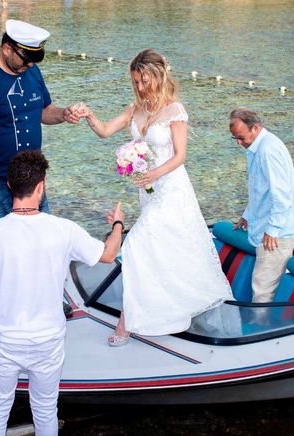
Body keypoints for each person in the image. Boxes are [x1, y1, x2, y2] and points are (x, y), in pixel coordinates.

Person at [0, 149, 125, 436]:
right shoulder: (64, 229)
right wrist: (117, 224)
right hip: (48, 339)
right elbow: (107, 254)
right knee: (44, 411)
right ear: (41, 187)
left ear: (7, 186)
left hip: (4, 340)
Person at [77, 48, 233, 346]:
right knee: (163, 248)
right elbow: (106, 131)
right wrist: (90, 115)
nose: (139, 87)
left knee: (135, 244)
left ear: (158, 77)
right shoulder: (136, 108)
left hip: (171, 188)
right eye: (135, 81)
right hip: (148, 190)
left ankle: (127, 322)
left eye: (143, 80)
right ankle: (165, 304)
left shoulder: (175, 110)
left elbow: (181, 156)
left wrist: (154, 173)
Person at [0, 19, 82, 337]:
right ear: (6, 48)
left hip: (31, 180)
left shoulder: (32, 71)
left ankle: (51, 300)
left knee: (47, 243)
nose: (28, 64)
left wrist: (64, 115)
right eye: (24, 57)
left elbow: (43, 111)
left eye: (34, 59)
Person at [229, 107, 294, 303]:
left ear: (255, 127)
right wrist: (247, 215)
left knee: (263, 289)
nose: (239, 143)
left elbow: (282, 196)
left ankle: (260, 328)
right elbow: (260, 189)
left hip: (277, 233)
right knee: (262, 285)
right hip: (268, 227)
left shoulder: (268, 151)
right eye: (235, 138)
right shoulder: (256, 146)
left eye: (241, 137)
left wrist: (272, 229)